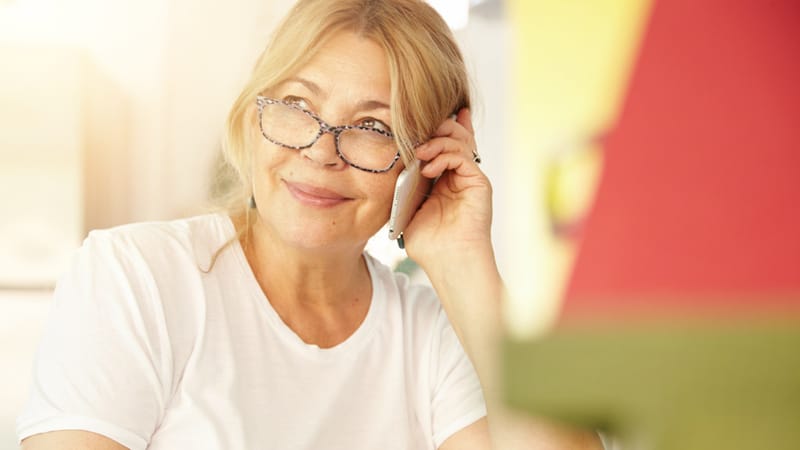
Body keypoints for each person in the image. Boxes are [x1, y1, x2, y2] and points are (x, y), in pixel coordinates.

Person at [17, 1, 603, 449]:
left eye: (373, 128)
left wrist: (464, 261)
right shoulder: (137, 276)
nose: (322, 152)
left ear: (424, 161)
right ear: (254, 114)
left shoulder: (436, 332)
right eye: (298, 106)